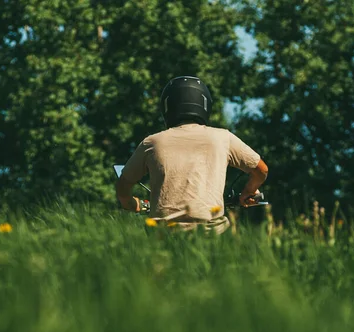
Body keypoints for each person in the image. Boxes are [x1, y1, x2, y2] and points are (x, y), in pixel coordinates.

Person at [115, 76, 268, 233]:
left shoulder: (152, 142)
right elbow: (261, 170)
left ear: (168, 106)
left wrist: (133, 204)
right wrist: (248, 191)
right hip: (211, 233)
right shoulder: (223, 137)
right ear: (204, 104)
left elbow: (122, 188)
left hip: (163, 235)